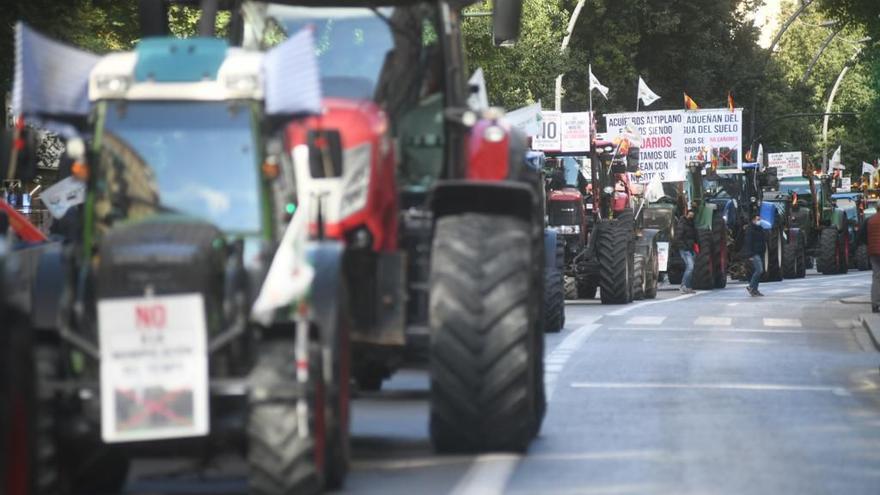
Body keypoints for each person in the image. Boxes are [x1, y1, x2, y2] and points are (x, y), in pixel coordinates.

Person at [858, 212, 880, 312]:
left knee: (876, 277)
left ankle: (875, 304)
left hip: (873, 252)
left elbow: (861, 236)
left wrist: (870, 244)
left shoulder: (869, 220)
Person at [744, 214, 766, 296]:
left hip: (760, 252)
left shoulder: (760, 229)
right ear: (753, 220)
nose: (759, 221)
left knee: (759, 271)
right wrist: (750, 255)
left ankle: (755, 290)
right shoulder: (750, 230)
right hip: (754, 253)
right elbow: (748, 243)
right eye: (757, 219)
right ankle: (751, 287)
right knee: (759, 270)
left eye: (759, 219)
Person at [676, 209, 697, 294]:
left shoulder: (691, 224)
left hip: (691, 249)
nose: (691, 217)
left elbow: (694, 236)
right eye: (690, 215)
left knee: (690, 268)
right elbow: (678, 237)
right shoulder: (682, 224)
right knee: (690, 267)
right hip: (685, 249)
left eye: (692, 216)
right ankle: (683, 286)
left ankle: (688, 287)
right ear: (687, 215)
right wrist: (684, 247)